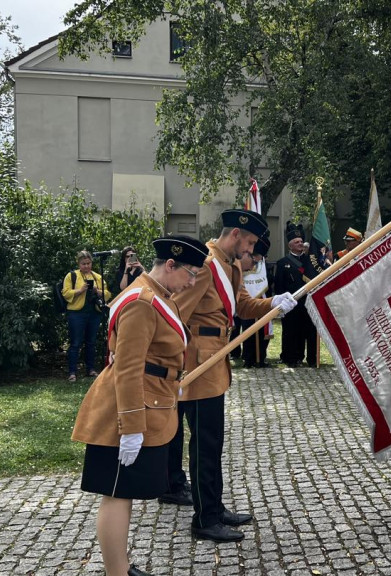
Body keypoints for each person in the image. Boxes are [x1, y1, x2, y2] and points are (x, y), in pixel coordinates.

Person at [71, 235, 208, 576]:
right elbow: (129, 367)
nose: (193, 282)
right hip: (124, 412)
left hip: (148, 401)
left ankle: (120, 566)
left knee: (124, 492)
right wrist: (131, 427)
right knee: (116, 493)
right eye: (190, 274)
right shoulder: (143, 302)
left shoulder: (160, 295)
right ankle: (115, 572)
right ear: (171, 265)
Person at [159, 209, 297, 543]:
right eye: (249, 242)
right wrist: (181, 360)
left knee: (213, 442)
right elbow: (175, 313)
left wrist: (274, 303)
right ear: (235, 234)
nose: (250, 251)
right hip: (200, 365)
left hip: (215, 361)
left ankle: (215, 508)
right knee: (205, 444)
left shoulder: (229, 265)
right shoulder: (205, 265)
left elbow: (241, 306)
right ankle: (205, 518)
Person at [62, 250, 111, 382]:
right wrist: (80, 290)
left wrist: (97, 290)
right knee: (75, 343)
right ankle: (72, 372)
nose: (86, 266)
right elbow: (65, 294)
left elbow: (107, 294)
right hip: (76, 313)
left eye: (88, 263)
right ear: (78, 263)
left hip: (94, 313)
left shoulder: (97, 277)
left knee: (91, 342)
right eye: (83, 264)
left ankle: (90, 369)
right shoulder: (71, 276)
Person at [275, 222, 319, 367]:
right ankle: (290, 358)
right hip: (291, 303)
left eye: (301, 241)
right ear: (290, 245)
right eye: (297, 242)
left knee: (308, 331)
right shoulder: (282, 263)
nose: (300, 244)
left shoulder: (310, 262)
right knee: (291, 331)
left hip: (307, 303)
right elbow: (279, 285)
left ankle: (311, 359)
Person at [241, 231, 274, 368]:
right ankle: (249, 359)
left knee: (262, 332)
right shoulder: (242, 262)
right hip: (247, 300)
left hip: (262, 299)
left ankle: (261, 358)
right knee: (248, 331)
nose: (259, 259)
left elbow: (269, 281)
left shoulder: (264, 265)